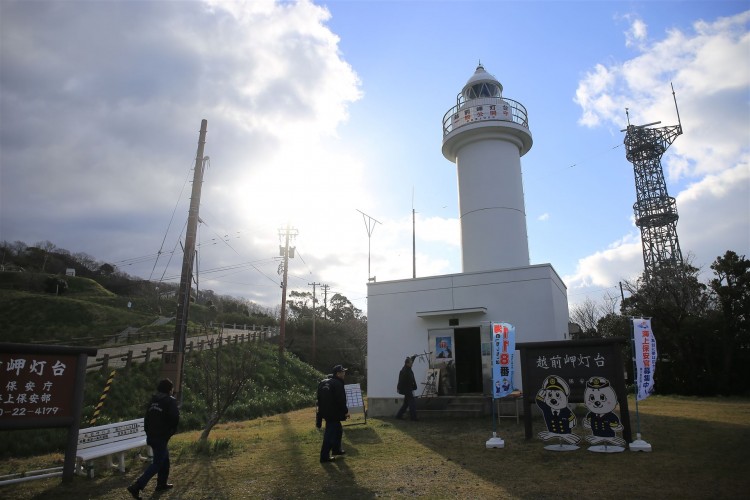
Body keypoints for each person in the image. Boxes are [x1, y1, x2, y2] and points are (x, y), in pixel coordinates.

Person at [127, 378, 180, 499]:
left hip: (151, 436)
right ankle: (137, 486)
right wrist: (170, 432)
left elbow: (147, 418)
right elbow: (175, 418)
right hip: (161, 437)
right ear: (169, 389)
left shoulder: (153, 400)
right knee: (157, 463)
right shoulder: (169, 401)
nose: (172, 391)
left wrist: (148, 432)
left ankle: (161, 484)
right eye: (171, 388)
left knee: (165, 459)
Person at [319, 364, 348, 463]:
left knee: (338, 430)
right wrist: (345, 411)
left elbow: (319, 398)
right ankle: (324, 456)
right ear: (338, 373)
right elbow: (341, 400)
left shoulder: (325, 383)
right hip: (333, 413)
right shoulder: (338, 384)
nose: (344, 374)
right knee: (330, 434)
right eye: (343, 372)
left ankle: (336, 449)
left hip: (326, 412)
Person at [396, 356, 418, 421]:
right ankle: (413, 418)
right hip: (407, 389)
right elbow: (402, 381)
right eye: (411, 363)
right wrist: (400, 388)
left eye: (412, 363)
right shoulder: (405, 371)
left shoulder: (407, 368)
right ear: (407, 364)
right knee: (412, 403)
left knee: (406, 404)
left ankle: (398, 416)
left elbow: (411, 360)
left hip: (408, 389)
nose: (412, 364)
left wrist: (414, 357)